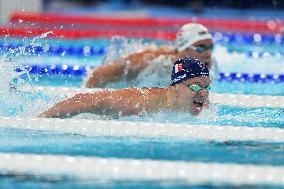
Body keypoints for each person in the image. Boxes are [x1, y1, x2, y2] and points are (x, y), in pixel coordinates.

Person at [39, 57, 211, 118]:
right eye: (195, 86)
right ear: (173, 88)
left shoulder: (200, 106)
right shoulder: (139, 104)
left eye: (207, 87)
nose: (203, 93)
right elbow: (84, 100)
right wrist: (40, 121)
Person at [85, 23, 214, 88]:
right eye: (201, 47)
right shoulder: (153, 60)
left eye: (210, 47)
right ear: (183, 48)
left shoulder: (207, 65)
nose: (208, 53)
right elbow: (99, 74)